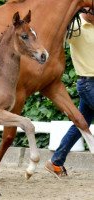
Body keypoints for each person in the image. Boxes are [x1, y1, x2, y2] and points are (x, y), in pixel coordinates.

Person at [45, 11, 94, 179]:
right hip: (88, 83)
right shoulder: (75, 26)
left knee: (81, 124)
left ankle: (56, 162)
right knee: (81, 123)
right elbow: (55, 37)